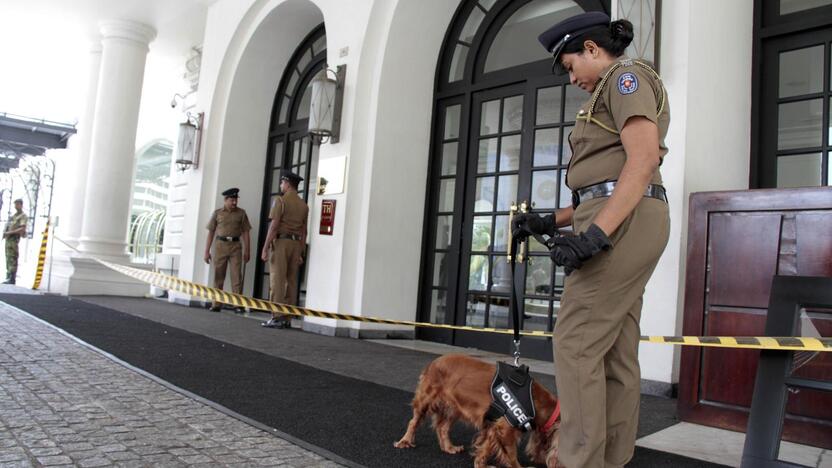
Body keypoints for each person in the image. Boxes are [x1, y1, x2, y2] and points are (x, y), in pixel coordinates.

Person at [512, 12, 670, 468]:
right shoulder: (611, 87)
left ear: (593, 50)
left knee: (576, 341)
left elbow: (640, 162)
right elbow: (601, 185)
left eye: (569, 65)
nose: (571, 77)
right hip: (626, 215)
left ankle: (579, 460)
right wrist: (552, 220)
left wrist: (597, 235)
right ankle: (611, 460)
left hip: (623, 221)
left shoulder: (625, 79)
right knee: (615, 349)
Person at [261, 170, 309, 329]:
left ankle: (276, 317)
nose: (281, 185)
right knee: (292, 281)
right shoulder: (304, 205)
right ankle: (287, 317)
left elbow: (274, 226)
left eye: (282, 182)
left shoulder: (280, 201)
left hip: (281, 243)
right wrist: (301, 252)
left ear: (287, 183)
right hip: (296, 245)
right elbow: (304, 231)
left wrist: (266, 246)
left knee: (277, 280)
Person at [204, 188, 252, 312]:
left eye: (236, 200)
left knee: (236, 276)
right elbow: (211, 232)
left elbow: (246, 232)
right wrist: (206, 251)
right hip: (220, 246)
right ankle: (216, 303)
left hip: (236, 246)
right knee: (218, 276)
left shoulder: (242, 213)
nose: (234, 202)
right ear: (225, 200)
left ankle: (237, 304)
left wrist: (247, 250)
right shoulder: (217, 213)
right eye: (232, 200)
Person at [3, 199, 27, 284]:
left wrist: (10, 232)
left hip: (14, 240)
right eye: (15, 204)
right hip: (8, 239)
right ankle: (9, 276)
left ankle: (12, 278)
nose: (15, 206)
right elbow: (9, 225)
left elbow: (22, 228)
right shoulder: (14, 216)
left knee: (13, 257)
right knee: (8, 257)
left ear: (21, 205)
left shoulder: (22, 216)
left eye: (17, 204)